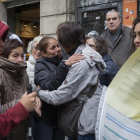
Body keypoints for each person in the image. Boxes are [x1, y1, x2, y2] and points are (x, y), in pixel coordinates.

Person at [36, 22, 105, 140]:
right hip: (86, 116)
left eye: (59, 43)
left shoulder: (80, 62)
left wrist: (39, 92)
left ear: (67, 42)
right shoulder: (84, 53)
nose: (59, 48)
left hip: (86, 121)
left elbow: (59, 96)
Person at [32, 36, 84, 140]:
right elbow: (49, 86)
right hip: (44, 120)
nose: (58, 49)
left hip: (60, 118)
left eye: (58, 46)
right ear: (44, 54)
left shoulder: (62, 59)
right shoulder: (40, 65)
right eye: (53, 48)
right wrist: (65, 66)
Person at [0, 20, 37, 139]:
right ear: (5, 56)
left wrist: (35, 99)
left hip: (21, 131)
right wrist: (21, 104)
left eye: (22, 55)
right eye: (15, 55)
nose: (20, 60)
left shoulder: (23, 72)